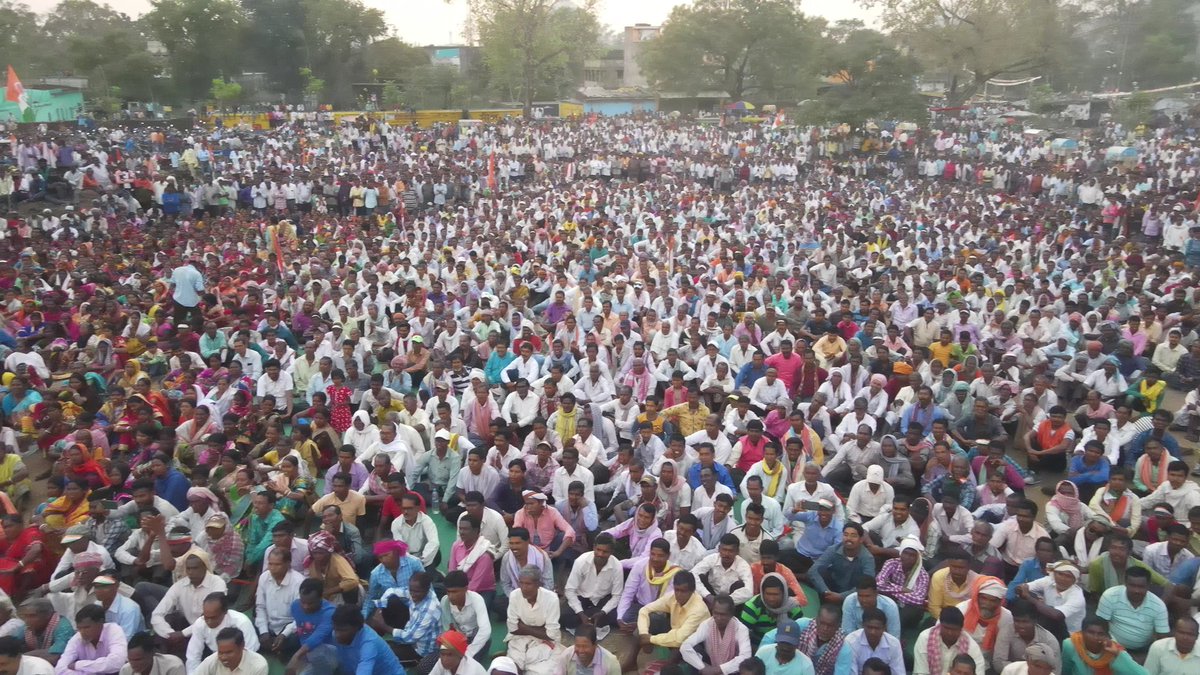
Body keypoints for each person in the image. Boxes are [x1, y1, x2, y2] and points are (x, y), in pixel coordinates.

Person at [1095, 566, 1170, 654]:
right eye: (1132, 585)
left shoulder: (1159, 605)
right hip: (1112, 646)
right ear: (1125, 583)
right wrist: (1116, 650)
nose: (1136, 590)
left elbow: (1162, 639)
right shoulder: (1110, 596)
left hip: (1143, 651)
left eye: (1141, 586)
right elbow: (1100, 626)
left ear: (1148, 586)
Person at [504, 565, 561, 675]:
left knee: (542, 671)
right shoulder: (515, 595)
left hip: (544, 642)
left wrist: (524, 627)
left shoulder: (551, 599)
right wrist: (541, 629)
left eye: (528, 584)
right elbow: (513, 628)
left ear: (539, 584)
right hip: (519, 639)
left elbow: (552, 634)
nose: (524, 588)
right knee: (512, 669)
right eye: (521, 583)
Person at [185, 592, 260, 672]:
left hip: (242, 663)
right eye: (206, 617)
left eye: (213, 617)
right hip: (217, 660)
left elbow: (249, 655)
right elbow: (193, 657)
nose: (209, 621)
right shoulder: (200, 623)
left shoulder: (241, 622)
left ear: (225, 611)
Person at [681, 594, 753, 675]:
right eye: (716, 613)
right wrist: (703, 667)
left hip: (731, 671)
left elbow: (746, 657)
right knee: (695, 649)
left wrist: (718, 670)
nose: (718, 618)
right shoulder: (707, 624)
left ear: (731, 614)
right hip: (709, 666)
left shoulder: (741, 629)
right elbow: (685, 646)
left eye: (723, 614)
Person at [255, 548, 304, 660]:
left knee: (299, 636)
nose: (272, 568)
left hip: (290, 627)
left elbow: (300, 616)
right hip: (269, 625)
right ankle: (276, 648)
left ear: (288, 564)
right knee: (246, 627)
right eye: (270, 564)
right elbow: (260, 607)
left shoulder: (298, 582)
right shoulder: (264, 577)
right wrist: (264, 631)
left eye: (277, 564)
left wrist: (284, 634)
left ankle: (274, 647)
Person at [55, 604, 127, 675]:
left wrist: (78, 665)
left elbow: (117, 662)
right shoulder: (77, 638)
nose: (82, 632)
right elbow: (59, 669)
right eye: (79, 628)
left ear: (100, 622)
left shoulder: (113, 630)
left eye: (87, 627)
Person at [1061, 616, 1146, 675]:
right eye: (1091, 632)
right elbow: (1065, 671)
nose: (1095, 637)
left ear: (1106, 636)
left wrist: (1117, 654)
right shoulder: (1071, 645)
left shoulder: (1113, 649)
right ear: (1082, 632)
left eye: (1101, 634)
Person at [913, 607, 986, 675]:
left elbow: (979, 672)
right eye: (946, 628)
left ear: (961, 629)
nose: (949, 633)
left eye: (954, 629)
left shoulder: (971, 646)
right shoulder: (925, 638)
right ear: (940, 625)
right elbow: (922, 672)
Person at [740, 573, 805, 648]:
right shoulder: (752, 606)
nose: (771, 599)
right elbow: (744, 636)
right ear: (762, 593)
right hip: (757, 645)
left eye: (776, 594)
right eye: (768, 594)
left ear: (784, 594)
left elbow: (799, 632)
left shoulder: (793, 607)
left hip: (786, 647)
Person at [439, 571, 491, 664]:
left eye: (454, 592)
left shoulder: (477, 599)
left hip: (476, 638)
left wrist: (468, 653)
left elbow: (485, 630)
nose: (450, 596)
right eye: (448, 592)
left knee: (466, 664)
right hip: (458, 639)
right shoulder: (445, 601)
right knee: (426, 666)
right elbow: (447, 630)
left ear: (465, 589)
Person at [835, 608, 905, 675]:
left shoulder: (894, 644)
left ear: (884, 628)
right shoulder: (851, 642)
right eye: (869, 627)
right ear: (863, 625)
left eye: (877, 628)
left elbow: (898, 672)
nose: (873, 632)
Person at [18, 599, 73, 666]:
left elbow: (56, 657)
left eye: (32, 616)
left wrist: (20, 658)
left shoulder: (64, 627)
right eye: (25, 616)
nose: (26, 620)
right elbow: (10, 641)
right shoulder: (28, 626)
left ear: (47, 615)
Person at [193, 626, 267, 675]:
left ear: (242, 646)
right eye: (220, 653)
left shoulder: (258, 665)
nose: (223, 657)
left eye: (229, 652)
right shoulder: (212, 660)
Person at [557, 624, 621, 674]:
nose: (581, 651)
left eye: (585, 646)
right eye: (577, 646)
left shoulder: (611, 662)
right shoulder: (566, 655)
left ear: (595, 645)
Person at [119, 633, 186, 675]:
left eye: (138, 659)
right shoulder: (125, 670)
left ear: (152, 653)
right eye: (130, 659)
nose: (133, 664)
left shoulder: (173, 666)